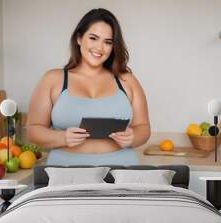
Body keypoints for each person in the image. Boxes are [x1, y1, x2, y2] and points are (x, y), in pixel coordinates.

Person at [27, 8, 150, 165]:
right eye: (93, 38)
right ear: (79, 38)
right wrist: (62, 137)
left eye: (108, 42)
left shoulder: (127, 80)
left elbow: (143, 127)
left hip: (123, 170)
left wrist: (133, 136)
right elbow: (33, 130)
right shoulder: (53, 79)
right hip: (65, 171)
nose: (99, 48)